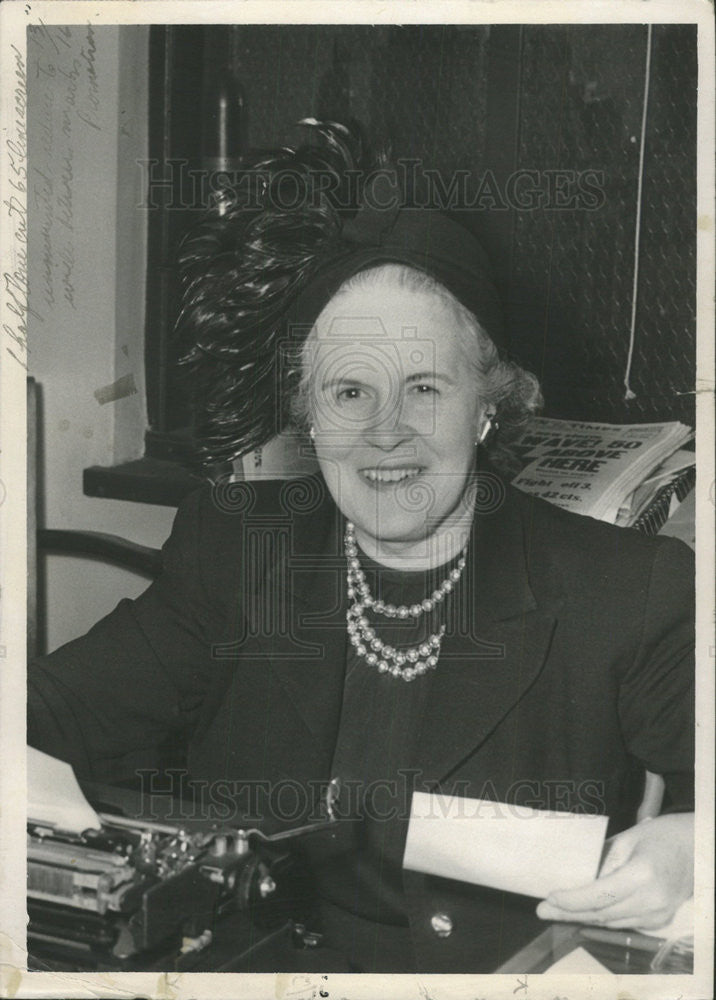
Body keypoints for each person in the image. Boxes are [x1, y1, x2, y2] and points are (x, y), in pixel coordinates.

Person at [28, 120, 694, 974]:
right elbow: (55, 708)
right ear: (309, 415)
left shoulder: (624, 590)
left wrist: (687, 845)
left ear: (487, 406)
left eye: (424, 387)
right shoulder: (236, 550)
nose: (386, 433)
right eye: (349, 391)